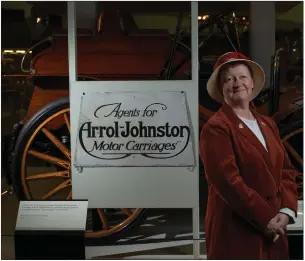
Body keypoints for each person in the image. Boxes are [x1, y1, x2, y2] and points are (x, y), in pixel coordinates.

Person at [199, 52, 299, 259]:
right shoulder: (216, 128)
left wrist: (287, 211)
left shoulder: (267, 123)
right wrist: (265, 218)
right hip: (237, 231)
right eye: (229, 79)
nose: (237, 83)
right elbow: (228, 181)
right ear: (221, 89)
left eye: (242, 77)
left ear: (252, 83)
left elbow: (286, 170)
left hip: (276, 228)